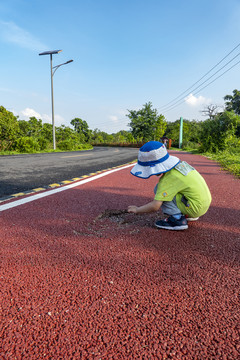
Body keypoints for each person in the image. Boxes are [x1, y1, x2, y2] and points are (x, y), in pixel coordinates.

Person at [128, 141, 212, 230]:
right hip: (203, 204)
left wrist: (137, 209)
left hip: (194, 208)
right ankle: (189, 214)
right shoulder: (181, 165)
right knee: (168, 190)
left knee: (159, 190)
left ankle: (177, 219)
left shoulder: (167, 180)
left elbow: (155, 206)